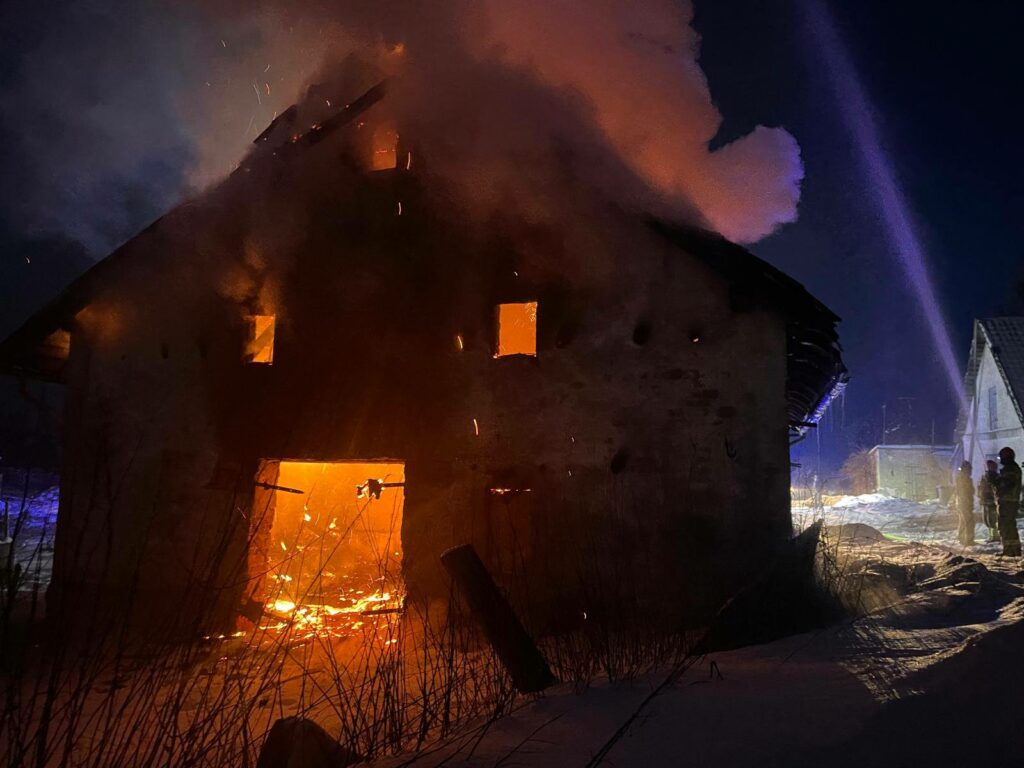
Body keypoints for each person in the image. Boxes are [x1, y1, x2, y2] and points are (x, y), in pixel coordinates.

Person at [992, 446, 1022, 557]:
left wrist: (994, 479)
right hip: (1008, 501)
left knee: (1006, 526)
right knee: (1008, 525)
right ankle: (1012, 550)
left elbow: (1006, 485)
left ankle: (1010, 551)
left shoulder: (1011, 469)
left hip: (1008, 502)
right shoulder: (1011, 469)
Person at [978, 459, 1000, 542]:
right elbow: (981, 488)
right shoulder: (984, 477)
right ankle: (991, 536)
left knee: (992, 520)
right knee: (986, 520)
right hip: (984, 501)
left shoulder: (995, 477)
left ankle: (995, 536)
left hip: (992, 502)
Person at [955, 461, 975, 546]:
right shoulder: (964, 479)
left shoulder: (960, 478)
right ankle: (968, 540)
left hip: (962, 502)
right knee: (969, 522)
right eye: (969, 469)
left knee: (963, 521)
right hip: (965, 502)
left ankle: (961, 538)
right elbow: (967, 491)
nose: (970, 471)